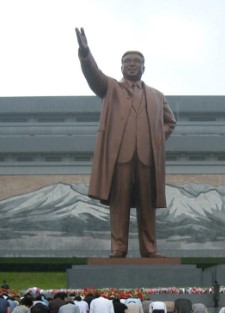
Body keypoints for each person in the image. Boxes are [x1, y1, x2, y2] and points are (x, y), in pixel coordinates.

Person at [75, 27, 176, 258]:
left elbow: (171, 122)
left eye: (137, 61)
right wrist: (85, 53)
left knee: (147, 206)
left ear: (143, 67)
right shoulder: (111, 88)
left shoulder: (157, 96)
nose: (132, 64)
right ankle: (118, 248)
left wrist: (157, 140)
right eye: (127, 61)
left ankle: (149, 249)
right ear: (121, 67)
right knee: (118, 205)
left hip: (147, 158)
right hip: (120, 156)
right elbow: (93, 75)